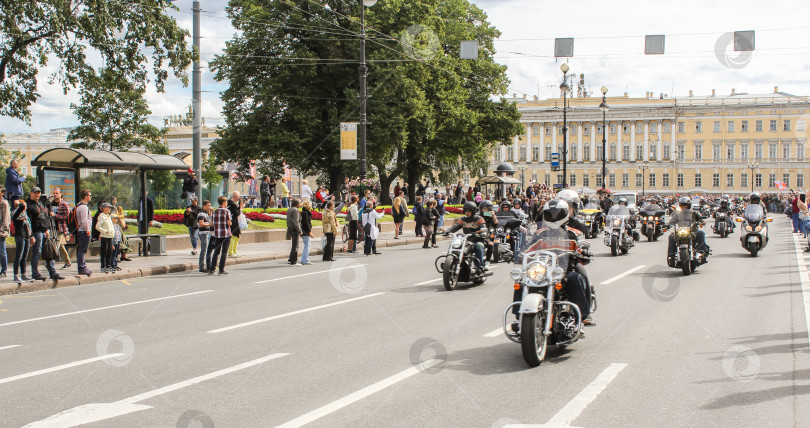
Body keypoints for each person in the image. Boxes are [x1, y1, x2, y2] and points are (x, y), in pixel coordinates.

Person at [26, 187, 63, 281]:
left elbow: (44, 217)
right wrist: (31, 235)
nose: (37, 194)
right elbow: (28, 221)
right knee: (37, 252)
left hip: (44, 230)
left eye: (38, 193)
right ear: (31, 193)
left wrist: (46, 229)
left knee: (49, 251)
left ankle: (53, 272)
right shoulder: (29, 205)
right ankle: (35, 273)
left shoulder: (40, 203)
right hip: (36, 231)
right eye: (35, 193)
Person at [445, 201, 488, 271]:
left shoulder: (479, 219)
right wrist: (447, 231)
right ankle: (449, 262)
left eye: (468, 211)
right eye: (465, 211)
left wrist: (482, 233)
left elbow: (484, 228)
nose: (466, 213)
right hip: (466, 240)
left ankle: (480, 266)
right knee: (454, 245)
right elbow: (455, 226)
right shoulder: (463, 219)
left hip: (477, 239)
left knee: (479, 246)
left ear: (473, 211)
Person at [667, 196, 709, 266]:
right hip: (681, 231)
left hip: (693, 231)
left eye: (685, 206)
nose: (684, 207)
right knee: (671, 236)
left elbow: (702, 220)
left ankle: (703, 251)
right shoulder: (677, 214)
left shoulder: (694, 213)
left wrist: (702, 221)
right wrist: (667, 225)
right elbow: (671, 222)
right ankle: (671, 255)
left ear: (689, 205)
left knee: (701, 233)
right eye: (682, 206)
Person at [206, 195, 232, 275]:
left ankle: (212, 269)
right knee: (224, 252)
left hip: (217, 234)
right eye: (226, 202)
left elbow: (212, 223)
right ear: (224, 202)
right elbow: (229, 223)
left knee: (216, 252)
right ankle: (221, 269)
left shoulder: (214, 212)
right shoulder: (227, 211)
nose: (227, 203)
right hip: (226, 234)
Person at [11, 198, 33, 283]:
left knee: (24, 257)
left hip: (26, 236)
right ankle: (16, 275)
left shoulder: (25, 215)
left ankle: (23, 274)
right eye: (25, 205)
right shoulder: (16, 213)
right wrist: (21, 205)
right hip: (20, 236)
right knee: (18, 256)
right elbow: (20, 208)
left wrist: (31, 236)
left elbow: (29, 226)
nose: (26, 207)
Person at [49, 188, 71, 269]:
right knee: (61, 244)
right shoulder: (52, 203)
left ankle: (52, 260)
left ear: (61, 194)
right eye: (54, 193)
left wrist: (55, 216)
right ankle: (68, 261)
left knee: (56, 244)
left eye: (57, 193)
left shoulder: (64, 204)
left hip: (61, 227)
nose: (55, 195)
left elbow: (67, 217)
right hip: (53, 227)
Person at [75, 189, 93, 276]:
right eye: (89, 195)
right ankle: (81, 268)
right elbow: (83, 220)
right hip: (83, 231)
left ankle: (83, 266)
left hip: (82, 231)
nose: (90, 197)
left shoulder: (81, 206)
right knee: (82, 250)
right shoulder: (83, 207)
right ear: (85, 196)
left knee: (82, 250)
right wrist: (87, 230)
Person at [95, 202, 115, 273]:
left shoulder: (108, 216)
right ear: (104, 208)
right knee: (104, 251)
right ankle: (103, 266)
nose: (109, 209)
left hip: (110, 236)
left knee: (110, 251)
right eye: (108, 207)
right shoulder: (101, 216)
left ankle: (108, 265)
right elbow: (97, 226)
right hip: (105, 236)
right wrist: (104, 231)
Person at [197, 200, 213, 272]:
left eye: (210, 205)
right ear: (204, 206)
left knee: (207, 250)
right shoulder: (201, 214)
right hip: (203, 233)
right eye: (208, 205)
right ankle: (201, 267)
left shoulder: (206, 213)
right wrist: (210, 224)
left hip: (207, 232)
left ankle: (208, 266)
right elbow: (201, 224)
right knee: (203, 250)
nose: (209, 207)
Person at [227, 191, 243, 258]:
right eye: (238, 196)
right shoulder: (232, 204)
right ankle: (231, 252)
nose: (239, 198)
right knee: (234, 236)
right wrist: (240, 208)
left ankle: (234, 251)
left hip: (234, 221)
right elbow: (237, 213)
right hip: (233, 222)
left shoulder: (232, 203)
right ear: (236, 197)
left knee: (237, 236)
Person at [286, 199, 302, 265]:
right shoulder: (295, 210)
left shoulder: (289, 209)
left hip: (290, 228)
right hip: (295, 229)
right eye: (299, 203)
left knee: (294, 245)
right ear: (297, 204)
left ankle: (290, 259)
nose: (300, 204)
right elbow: (296, 221)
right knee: (296, 245)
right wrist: (299, 230)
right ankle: (294, 261)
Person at [300, 199, 314, 265]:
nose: (310, 206)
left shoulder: (305, 213)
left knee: (306, 246)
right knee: (307, 246)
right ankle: (305, 260)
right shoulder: (305, 213)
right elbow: (306, 224)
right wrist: (309, 232)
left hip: (305, 231)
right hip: (306, 232)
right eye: (310, 205)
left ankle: (303, 259)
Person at [0, 187, 9, 277]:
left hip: (1, 231)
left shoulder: (4, 203)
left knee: (2, 251)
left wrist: (2, 230)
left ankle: (4, 270)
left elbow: (6, 219)